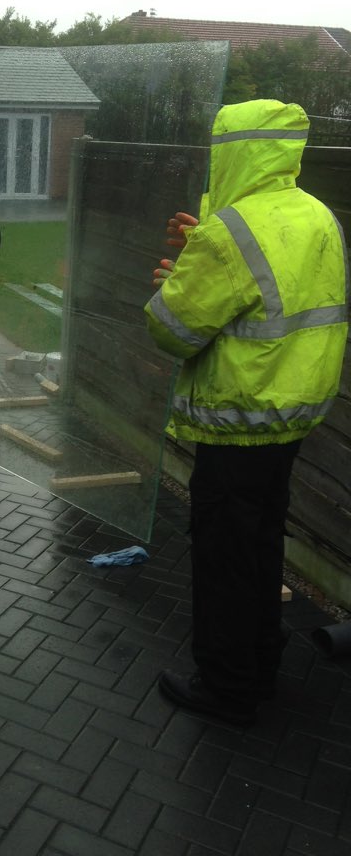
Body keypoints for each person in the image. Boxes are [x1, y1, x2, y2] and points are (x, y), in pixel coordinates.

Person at [145, 98, 348, 726]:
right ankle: (263, 654)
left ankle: (228, 687)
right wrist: (201, 245)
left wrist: (173, 279)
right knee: (261, 543)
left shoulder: (228, 233)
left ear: (232, 152)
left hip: (236, 422)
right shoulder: (317, 216)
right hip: (292, 419)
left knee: (225, 555)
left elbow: (173, 331)